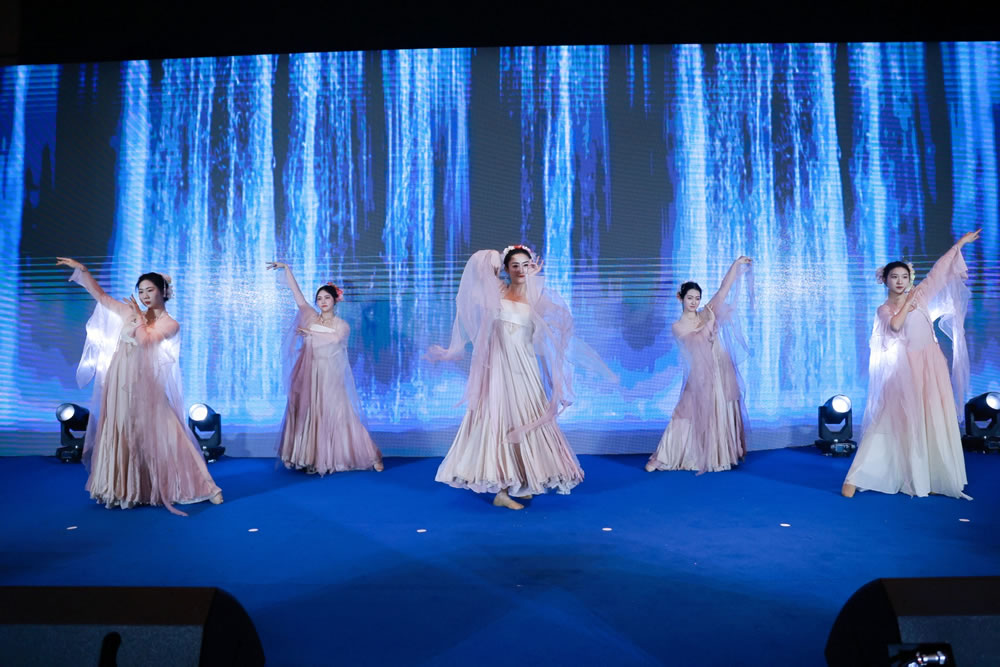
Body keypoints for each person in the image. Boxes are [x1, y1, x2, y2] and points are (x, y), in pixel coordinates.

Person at [429, 245, 610, 510]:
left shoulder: (537, 296)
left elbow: (552, 330)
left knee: (526, 418)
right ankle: (501, 490)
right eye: (515, 265)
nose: (521, 270)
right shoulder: (498, 292)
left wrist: (555, 379)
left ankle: (520, 481)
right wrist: (493, 257)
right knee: (500, 420)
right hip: (500, 369)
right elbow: (478, 267)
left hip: (525, 368)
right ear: (506, 269)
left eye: (526, 265)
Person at [56, 257, 222, 516]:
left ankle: (205, 486)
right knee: (122, 431)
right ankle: (127, 489)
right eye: (141, 291)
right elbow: (102, 297)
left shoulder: (170, 323)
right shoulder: (130, 312)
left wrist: (137, 318)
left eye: (150, 290)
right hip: (119, 380)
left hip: (146, 384)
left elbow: (145, 341)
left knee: (169, 433)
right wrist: (83, 271)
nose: (144, 296)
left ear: (163, 291)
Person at [842, 230, 980, 499]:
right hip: (904, 370)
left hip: (932, 364)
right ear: (885, 280)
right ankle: (857, 476)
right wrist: (908, 304)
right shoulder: (884, 309)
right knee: (889, 419)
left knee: (932, 418)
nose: (900, 281)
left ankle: (930, 475)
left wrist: (960, 244)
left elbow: (939, 271)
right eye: (894, 277)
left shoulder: (921, 294)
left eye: (904, 277)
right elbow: (895, 326)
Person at [267, 261, 383, 474]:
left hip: (330, 377)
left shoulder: (341, 325)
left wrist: (311, 333)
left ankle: (370, 454)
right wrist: (287, 269)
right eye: (319, 298)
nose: (322, 301)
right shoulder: (311, 318)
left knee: (340, 414)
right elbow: (297, 295)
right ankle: (308, 456)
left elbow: (336, 339)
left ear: (335, 300)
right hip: (309, 373)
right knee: (309, 414)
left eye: (327, 297)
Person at [646, 256, 753, 474]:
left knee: (720, 411)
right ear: (681, 298)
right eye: (690, 298)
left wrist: (735, 265)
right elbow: (696, 341)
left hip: (720, 369)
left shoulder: (706, 313)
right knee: (684, 412)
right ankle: (665, 456)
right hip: (700, 374)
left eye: (697, 298)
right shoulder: (678, 326)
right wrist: (710, 323)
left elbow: (723, 290)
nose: (694, 302)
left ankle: (719, 455)